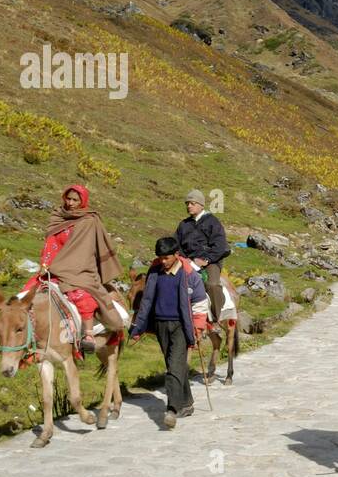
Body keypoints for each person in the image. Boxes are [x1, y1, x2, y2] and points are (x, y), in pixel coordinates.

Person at [23, 184, 125, 352]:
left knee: (82, 296)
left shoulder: (89, 221)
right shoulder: (58, 216)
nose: (70, 203)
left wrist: (63, 267)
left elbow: (83, 251)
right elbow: (52, 243)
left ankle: (88, 335)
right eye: (68, 199)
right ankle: (25, 336)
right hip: (54, 267)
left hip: (80, 268)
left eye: (75, 200)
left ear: (82, 201)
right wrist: (45, 264)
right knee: (28, 293)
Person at [130, 236, 207, 430]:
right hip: (161, 324)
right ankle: (187, 403)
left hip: (182, 325)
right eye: (160, 258)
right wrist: (139, 326)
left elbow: (199, 302)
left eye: (166, 258)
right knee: (175, 365)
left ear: (176, 255)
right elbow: (147, 300)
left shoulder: (189, 275)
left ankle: (172, 409)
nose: (163, 261)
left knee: (173, 367)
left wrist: (198, 327)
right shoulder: (155, 271)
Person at [176, 190, 230, 324]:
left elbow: (220, 246)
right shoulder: (184, 225)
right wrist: (185, 259)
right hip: (187, 261)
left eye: (192, 203)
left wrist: (205, 260)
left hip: (210, 261)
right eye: (187, 203)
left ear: (201, 205)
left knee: (211, 285)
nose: (189, 206)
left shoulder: (213, 222)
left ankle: (216, 319)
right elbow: (177, 245)